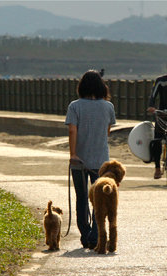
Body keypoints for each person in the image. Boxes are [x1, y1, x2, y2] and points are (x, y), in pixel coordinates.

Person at [65, 70, 116, 249]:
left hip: (79, 161)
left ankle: (85, 235)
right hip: (101, 164)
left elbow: (72, 131)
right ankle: (95, 235)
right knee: (99, 199)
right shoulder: (108, 107)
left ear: (82, 86)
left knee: (81, 198)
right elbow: (107, 131)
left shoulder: (74, 106)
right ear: (101, 86)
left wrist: (73, 154)